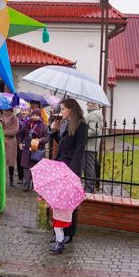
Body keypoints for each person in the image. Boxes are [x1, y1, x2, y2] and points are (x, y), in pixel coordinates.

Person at [50, 99, 88, 252]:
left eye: (64, 108)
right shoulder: (65, 124)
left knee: (70, 203)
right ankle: (58, 231)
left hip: (70, 168)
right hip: (60, 165)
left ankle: (69, 233)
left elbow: (79, 151)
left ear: (71, 109)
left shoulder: (82, 126)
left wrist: (71, 173)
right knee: (59, 200)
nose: (62, 111)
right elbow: (62, 143)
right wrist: (54, 131)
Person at [16, 108, 49, 192]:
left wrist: (40, 140)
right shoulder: (27, 124)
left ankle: (34, 184)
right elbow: (20, 134)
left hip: (38, 149)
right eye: (33, 115)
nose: (34, 117)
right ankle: (27, 183)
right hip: (27, 149)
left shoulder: (44, 126)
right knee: (26, 167)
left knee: (36, 168)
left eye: (36, 115)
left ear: (40, 116)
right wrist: (20, 143)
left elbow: (47, 137)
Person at [84, 101, 103, 193]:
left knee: (88, 167)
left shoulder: (93, 115)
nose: (86, 104)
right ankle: (90, 186)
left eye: (88, 102)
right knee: (89, 166)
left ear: (93, 104)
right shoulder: (93, 113)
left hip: (89, 145)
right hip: (90, 145)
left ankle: (89, 188)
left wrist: (82, 135)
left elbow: (94, 130)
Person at [1, 104, 20, 187]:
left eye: (7, 110)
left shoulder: (15, 119)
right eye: (4, 110)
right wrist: (1, 123)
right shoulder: (1, 118)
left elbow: (14, 131)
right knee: (2, 161)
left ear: (11, 111)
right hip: (2, 142)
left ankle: (11, 177)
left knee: (11, 162)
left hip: (11, 142)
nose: (5, 112)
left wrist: (3, 132)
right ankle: (2, 178)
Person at [16, 106, 30, 185]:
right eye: (22, 110)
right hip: (19, 141)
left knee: (26, 160)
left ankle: (27, 178)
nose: (24, 112)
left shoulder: (31, 121)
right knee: (19, 160)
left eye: (25, 111)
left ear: (28, 112)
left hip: (27, 143)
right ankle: (20, 177)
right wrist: (19, 142)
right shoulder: (17, 119)